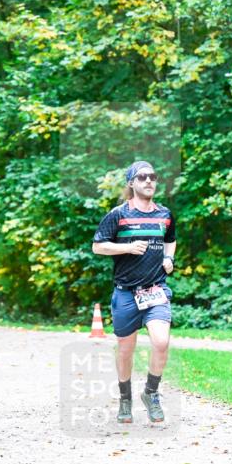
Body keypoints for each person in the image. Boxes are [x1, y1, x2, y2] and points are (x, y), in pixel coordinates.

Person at [92, 161, 176, 424]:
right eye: (142, 177)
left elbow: (170, 240)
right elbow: (98, 247)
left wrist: (169, 259)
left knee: (161, 342)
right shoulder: (118, 215)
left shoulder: (164, 214)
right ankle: (125, 398)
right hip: (126, 293)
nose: (149, 181)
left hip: (155, 291)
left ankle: (151, 393)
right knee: (126, 350)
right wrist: (126, 248)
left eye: (153, 176)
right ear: (131, 183)